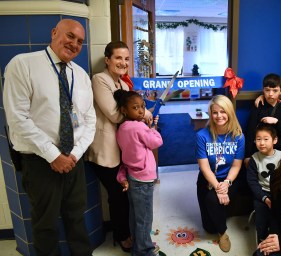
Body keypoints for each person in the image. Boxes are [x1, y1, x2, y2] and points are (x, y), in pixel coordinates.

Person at [3, 19, 95, 255]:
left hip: (73, 161)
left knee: (77, 218)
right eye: (70, 36)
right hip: (40, 162)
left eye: (80, 41)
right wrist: (53, 155)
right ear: (54, 33)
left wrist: (73, 155)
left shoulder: (81, 75)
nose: (74, 44)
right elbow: (17, 119)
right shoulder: (23, 65)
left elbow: (88, 121)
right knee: (45, 225)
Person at [85, 41, 138, 252]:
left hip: (121, 150)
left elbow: (130, 113)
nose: (123, 63)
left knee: (124, 194)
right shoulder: (99, 80)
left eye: (126, 59)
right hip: (105, 151)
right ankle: (122, 236)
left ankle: (126, 230)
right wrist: (140, 113)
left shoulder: (123, 85)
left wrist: (141, 114)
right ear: (107, 60)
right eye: (118, 58)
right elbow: (116, 114)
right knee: (116, 195)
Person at [114, 90, 163, 256]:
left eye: (142, 106)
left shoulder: (122, 128)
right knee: (145, 218)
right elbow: (156, 141)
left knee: (135, 216)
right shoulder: (139, 127)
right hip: (144, 179)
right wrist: (153, 128)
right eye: (135, 107)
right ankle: (144, 251)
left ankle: (140, 243)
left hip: (132, 176)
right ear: (124, 110)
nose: (141, 111)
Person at [195, 95, 245, 253]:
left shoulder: (238, 136)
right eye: (214, 112)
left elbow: (237, 165)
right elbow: (204, 168)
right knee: (209, 228)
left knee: (212, 200)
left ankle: (223, 233)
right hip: (208, 178)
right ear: (210, 114)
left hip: (230, 178)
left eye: (222, 111)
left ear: (229, 112)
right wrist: (218, 187)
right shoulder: (202, 135)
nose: (219, 116)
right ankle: (219, 211)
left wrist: (227, 183)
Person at [245, 73, 281, 167]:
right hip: (259, 152)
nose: (270, 94)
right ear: (263, 90)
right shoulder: (258, 105)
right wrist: (247, 155)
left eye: (275, 90)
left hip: (279, 153)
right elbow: (250, 131)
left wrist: (277, 122)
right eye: (267, 90)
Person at [246, 124, 281, 246]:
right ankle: (262, 241)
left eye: (266, 139)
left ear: (275, 140)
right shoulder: (254, 159)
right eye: (258, 139)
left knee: (278, 218)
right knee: (261, 216)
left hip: (279, 192)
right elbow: (252, 182)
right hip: (262, 193)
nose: (262, 143)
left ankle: (276, 239)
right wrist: (265, 198)